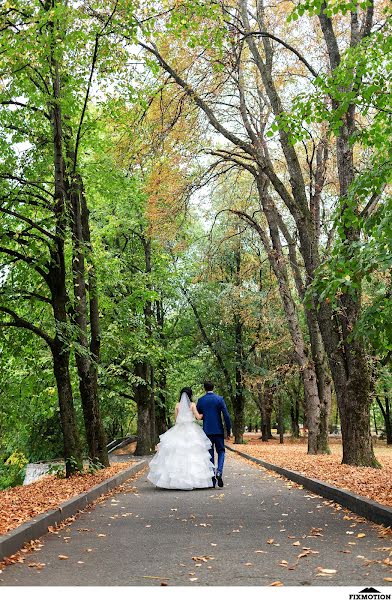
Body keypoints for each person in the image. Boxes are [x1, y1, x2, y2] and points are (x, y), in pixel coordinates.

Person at [147, 387, 215, 490]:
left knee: (176, 454)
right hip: (191, 430)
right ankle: (195, 481)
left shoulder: (177, 405)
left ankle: (175, 482)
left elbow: (176, 420)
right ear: (190, 395)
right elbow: (198, 417)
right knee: (193, 454)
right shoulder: (192, 405)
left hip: (179, 430)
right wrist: (206, 413)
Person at [197, 381, 231, 488]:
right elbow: (226, 415)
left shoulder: (201, 400)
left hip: (207, 431)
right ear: (213, 387)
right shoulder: (219, 399)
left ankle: (212, 479)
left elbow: (199, 415)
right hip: (219, 431)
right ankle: (219, 472)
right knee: (221, 451)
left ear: (204, 389)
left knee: (210, 454)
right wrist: (228, 430)